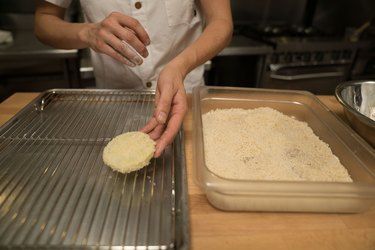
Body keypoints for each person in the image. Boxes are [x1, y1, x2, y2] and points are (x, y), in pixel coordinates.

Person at [34, 0, 233, 157]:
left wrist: (180, 67)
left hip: (184, 100)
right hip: (113, 107)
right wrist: (88, 32)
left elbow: (221, 21)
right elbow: (44, 20)